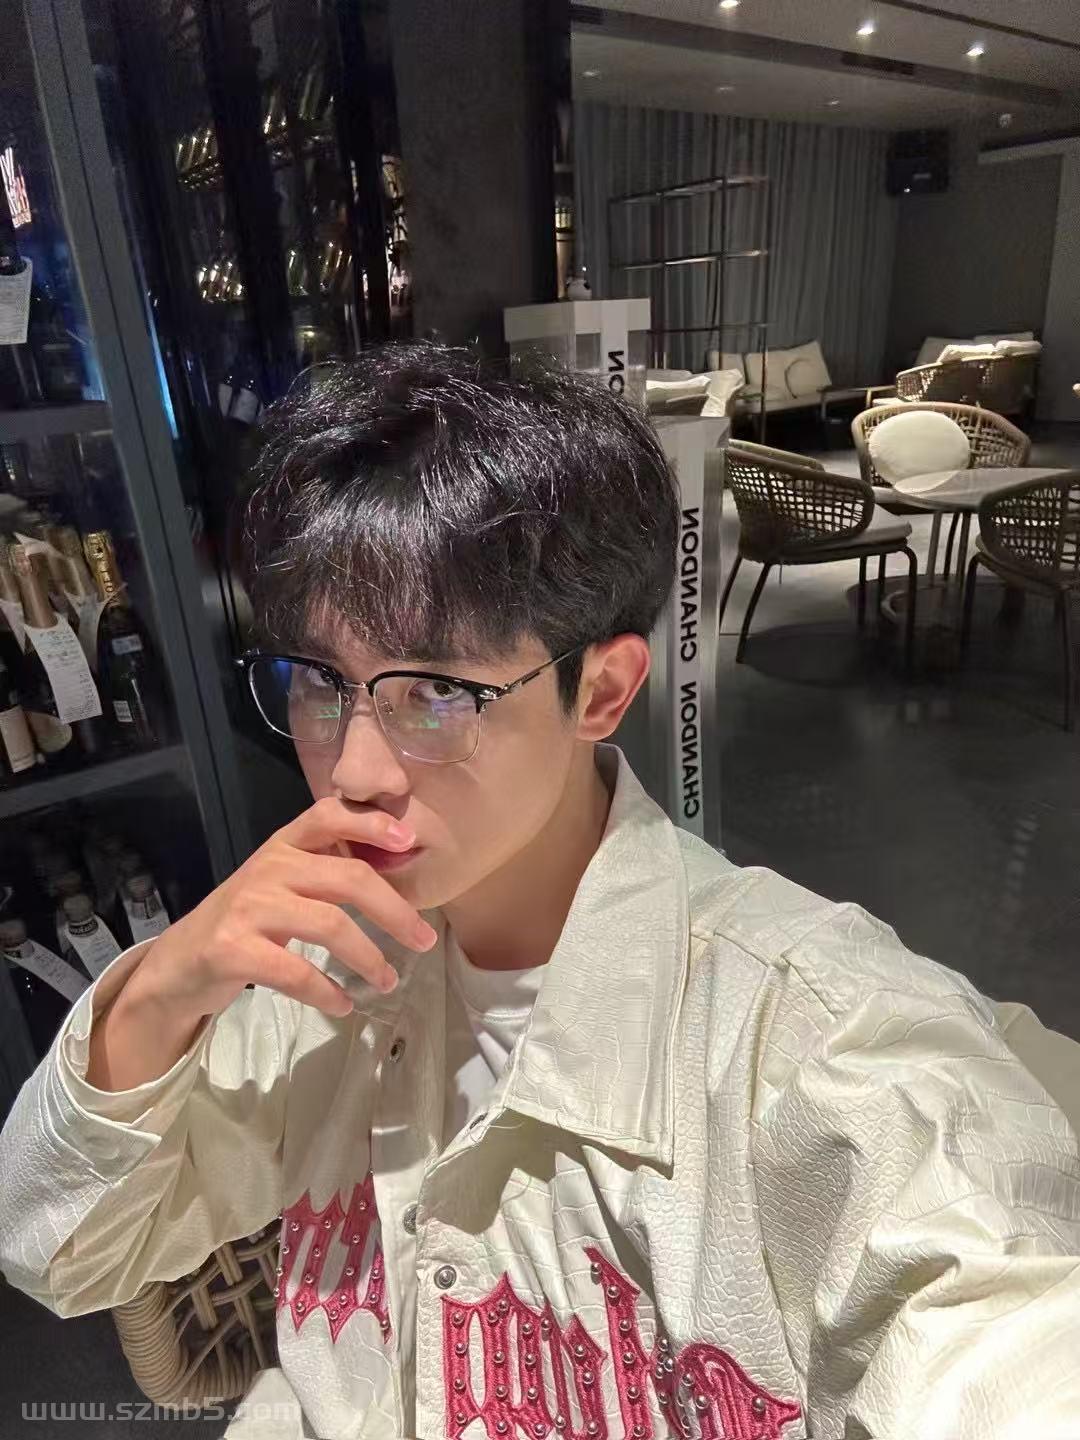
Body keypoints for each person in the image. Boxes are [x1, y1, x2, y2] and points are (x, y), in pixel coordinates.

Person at [1, 344, 1078, 1440]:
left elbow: (999, 1328)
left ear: (601, 692)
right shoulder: (322, 965)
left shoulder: (814, 1050)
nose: (355, 769)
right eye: (322, 680)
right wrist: (162, 989)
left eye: (436, 690)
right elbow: (60, 1247)